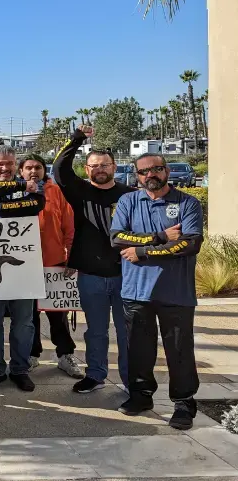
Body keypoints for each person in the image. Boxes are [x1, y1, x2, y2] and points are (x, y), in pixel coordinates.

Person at [110, 154, 204, 429]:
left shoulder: (188, 203)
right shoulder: (128, 201)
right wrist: (159, 238)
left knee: (179, 350)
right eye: (144, 171)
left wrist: (141, 252)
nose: (151, 175)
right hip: (136, 291)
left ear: (166, 171)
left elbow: (189, 244)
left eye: (157, 169)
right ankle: (141, 396)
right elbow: (117, 237)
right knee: (138, 349)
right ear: (137, 175)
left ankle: (184, 403)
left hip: (176, 293)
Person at [52, 125, 136, 394]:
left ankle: (130, 379)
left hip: (126, 274)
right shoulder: (78, 191)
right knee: (96, 332)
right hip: (90, 275)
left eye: (105, 165)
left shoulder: (131, 195)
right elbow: (59, 168)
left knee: (127, 333)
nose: (100, 169)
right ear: (87, 170)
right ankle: (96, 374)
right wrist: (77, 139)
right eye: (94, 165)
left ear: (114, 167)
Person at [0, 145, 46, 392]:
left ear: (16, 165)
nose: (4, 168)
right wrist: (22, 186)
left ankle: (20, 369)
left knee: (24, 323)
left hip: (24, 266)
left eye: (9, 164)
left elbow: (33, 206)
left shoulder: (33, 188)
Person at [17, 154, 83, 379]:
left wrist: (71, 258)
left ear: (44, 171)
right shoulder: (14, 192)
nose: (33, 171)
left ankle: (65, 355)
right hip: (24, 265)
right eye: (28, 168)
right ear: (21, 172)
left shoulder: (56, 192)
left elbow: (69, 227)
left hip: (54, 262)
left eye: (37, 167)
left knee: (58, 314)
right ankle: (32, 354)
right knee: (29, 316)